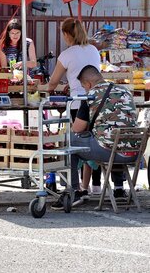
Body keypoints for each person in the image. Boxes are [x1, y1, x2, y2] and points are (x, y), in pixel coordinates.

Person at [52, 65, 138, 209]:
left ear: (88, 84)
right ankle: (118, 188)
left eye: (84, 87)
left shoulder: (91, 95)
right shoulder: (125, 91)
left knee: (68, 141)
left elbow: (77, 129)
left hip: (109, 151)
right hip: (132, 153)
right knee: (113, 137)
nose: (85, 90)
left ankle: (73, 191)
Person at [48, 17, 102, 194]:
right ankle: (95, 185)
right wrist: (71, 82)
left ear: (66, 34)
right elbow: (89, 73)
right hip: (97, 100)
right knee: (96, 139)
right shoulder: (94, 49)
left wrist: (48, 88)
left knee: (77, 143)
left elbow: (52, 82)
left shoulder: (67, 54)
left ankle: (75, 187)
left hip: (77, 104)